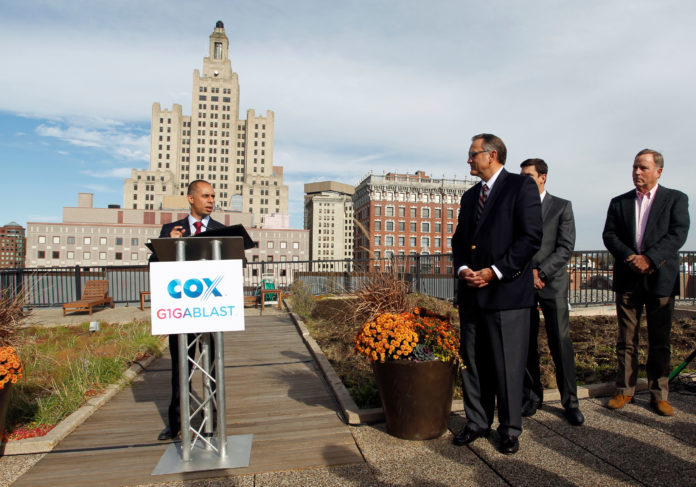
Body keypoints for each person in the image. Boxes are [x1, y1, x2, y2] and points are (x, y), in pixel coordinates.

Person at [452, 134, 542, 454]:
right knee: (473, 364)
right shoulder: (469, 197)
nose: (468, 160)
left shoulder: (521, 187)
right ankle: (477, 422)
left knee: (507, 366)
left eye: (472, 154)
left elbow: (530, 238)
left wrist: (495, 272)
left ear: (491, 155)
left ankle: (509, 429)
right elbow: (460, 241)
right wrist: (464, 270)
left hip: (506, 294)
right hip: (472, 294)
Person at [602, 149, 689, 416]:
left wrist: (650, 259)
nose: (637, 172)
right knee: (626, 339)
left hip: (660, 278)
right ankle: (625, 390)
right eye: (634, 167)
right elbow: (610, 234)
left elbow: (678, 233)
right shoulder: (619, 202)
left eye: (643, 168)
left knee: (659, 340)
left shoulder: (675, 199)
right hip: (628, 278)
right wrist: (630, 257)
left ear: (658, 171)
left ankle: (658, 394)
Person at [156, 180, 225, 441]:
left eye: (213, 196)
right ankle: (176, 424)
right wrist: (170, 244)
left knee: (214, 366)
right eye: (205, 196)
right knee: (180, 368)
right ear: (190, 199)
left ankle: (214, 421)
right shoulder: (171, 229)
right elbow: (154, 262)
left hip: (212, 310)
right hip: (182, 310)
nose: (211, 200)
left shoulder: (222, 231)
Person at [519, 159, 584, 426]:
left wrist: (542, 273)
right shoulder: (517, 207)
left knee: (561, 342)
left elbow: (565, 247)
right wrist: (526, 274)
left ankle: (571, 402)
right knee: (526, 344)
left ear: (543, 177)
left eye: (529, 176)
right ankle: (533, 397)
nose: (524, 181)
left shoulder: (561, 206)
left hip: (552, 283)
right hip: (522, 283)